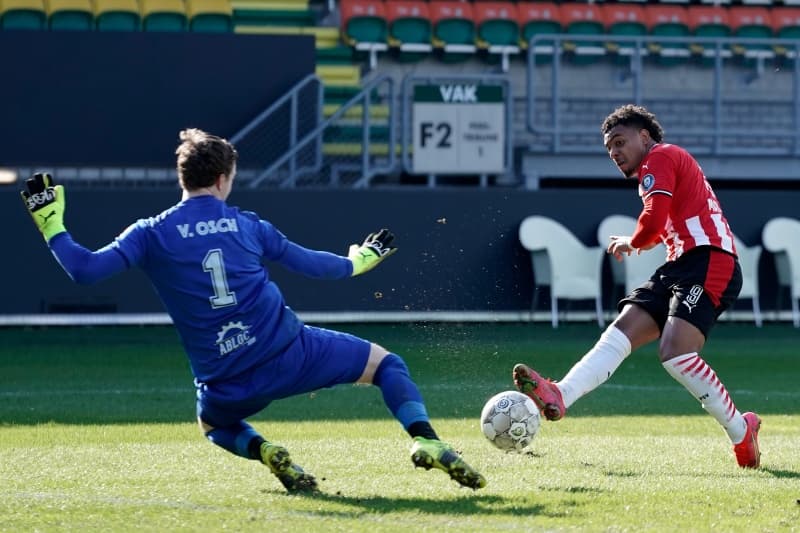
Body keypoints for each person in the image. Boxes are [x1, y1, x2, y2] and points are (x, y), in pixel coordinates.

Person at [20, 128, 486, 492]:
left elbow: (85, 270)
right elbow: (319, 267)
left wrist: (50, 223)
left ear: (183, 178)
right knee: (386, 365)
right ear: (223, 179)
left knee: (212, 424)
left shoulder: (150, 233)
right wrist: (360, 259)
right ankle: (426, 439)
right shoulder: (247, 225)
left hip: (226, 382)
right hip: (292, 354)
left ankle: (264, 451)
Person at [513, 104, 761, 469]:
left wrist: (634, 241)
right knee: (621, 331)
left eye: (619, 142)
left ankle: (741, 431)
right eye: (608, 148)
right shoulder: (662, 162)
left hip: (711, 261)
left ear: (644, 137)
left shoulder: (659, 156)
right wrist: (640, 241)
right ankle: (561, 393)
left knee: (676, 353)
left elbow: (654, 220)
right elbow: (665, 222)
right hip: (682, 264)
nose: (613, 152)